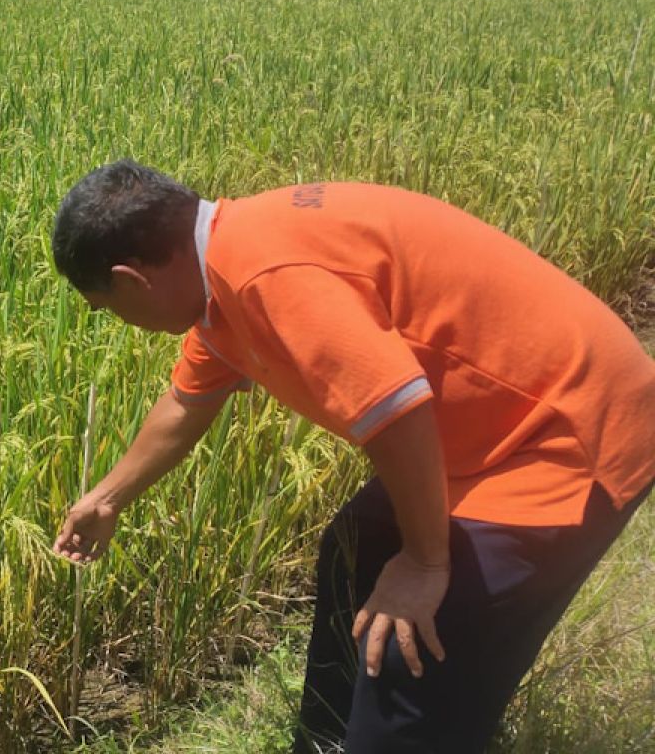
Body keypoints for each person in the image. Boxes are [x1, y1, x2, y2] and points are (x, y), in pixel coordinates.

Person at [48, 159, 655, 754]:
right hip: (487, 427)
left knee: (409, 647)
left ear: (132, 279)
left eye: (109, 307)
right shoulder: (223, 278)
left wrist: (424, 563)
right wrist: (106, 499)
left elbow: (398, 408)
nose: (123, 321)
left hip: (567, 436)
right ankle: (330, 740)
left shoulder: (267, 273)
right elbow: (186, 403)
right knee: (355, 549)